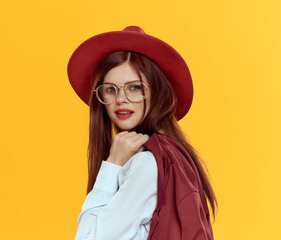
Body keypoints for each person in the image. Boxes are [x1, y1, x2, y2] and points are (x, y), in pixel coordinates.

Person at [67, 26, 217, 240]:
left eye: (134, 87)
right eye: (111, 89)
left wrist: (112, 164)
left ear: (156, 92)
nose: (121, 99)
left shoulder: (148, 164)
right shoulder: (171, 156)